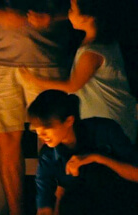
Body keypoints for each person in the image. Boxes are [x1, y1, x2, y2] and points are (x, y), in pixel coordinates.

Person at [0, 0, 72, 215]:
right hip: (1, 62)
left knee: (57, 140)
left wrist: (52, 18)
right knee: (6, 140)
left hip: (47, 58)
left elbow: (84, 9)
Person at [22, 90, 138, 215]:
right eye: (36, 128)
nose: (40, 134)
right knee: (68, 200)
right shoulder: (49, 156)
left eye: (47, 127)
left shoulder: (104, 130)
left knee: (95, 174)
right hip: (91, 206)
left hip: (127, 201)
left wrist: (97, 157)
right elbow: (45, 208)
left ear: (69, 121)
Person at [20, 0, 137, 143]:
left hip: (109, 117)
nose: (68, 13)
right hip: (109, 116)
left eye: (72, 9)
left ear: (89, 16)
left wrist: (36, 81)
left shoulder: (92, 52)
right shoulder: (103, 43)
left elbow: (73, 85)